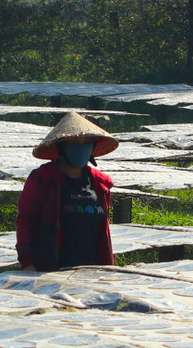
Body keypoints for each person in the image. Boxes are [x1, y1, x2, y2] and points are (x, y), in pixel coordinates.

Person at [16, 112, 119, 272]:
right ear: (61, 147)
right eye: (74, 143)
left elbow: (102, 231)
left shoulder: (100, 183)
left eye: (86, 143)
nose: (81, 148)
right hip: (51, 268)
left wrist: (107, 268)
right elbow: (25, 221)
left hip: (93, 270)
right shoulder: (43, 179)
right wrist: (28, 262)